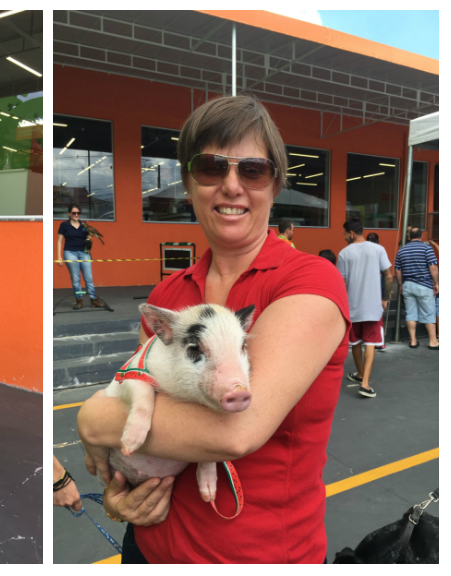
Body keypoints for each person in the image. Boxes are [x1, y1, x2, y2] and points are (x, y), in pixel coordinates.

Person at [76, 94, 349, 563]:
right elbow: (142, 385)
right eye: (210, 167)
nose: (232, 186)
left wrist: (90, 421)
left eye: (253, 170)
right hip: (151, 545)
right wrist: (120, 497)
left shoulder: (308, 281)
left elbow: (236, 432)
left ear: (275, 184)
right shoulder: (168, 294)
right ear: (188, 183)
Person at [337, 215, 392, 398]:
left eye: (345, 234)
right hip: (373, 307)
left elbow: (341, 283)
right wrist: (385, 298)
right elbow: (389, 275)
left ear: (351, 233)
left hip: (352, 307)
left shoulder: (344, 254)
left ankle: (360, 374)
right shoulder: (378, 249)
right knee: (370, 343)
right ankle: (365, 383)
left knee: (355, 343)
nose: (344, 237)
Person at [394, 227, 439, 349]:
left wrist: (400, 285)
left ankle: (413, 341)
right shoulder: (426, 248)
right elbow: (433, 267)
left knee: (411, 313)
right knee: (429, 313)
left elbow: (397, 270)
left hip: (407, 285)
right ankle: (433, 341)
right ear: (421, 236)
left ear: (409, 237)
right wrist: (436, 283)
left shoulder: (401, 250)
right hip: (424, 285)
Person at [57, 203, 103, 309]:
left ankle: (93, 299)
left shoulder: (84, 225)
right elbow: (59, 241)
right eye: (74, 213)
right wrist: (59, 256)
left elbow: (87, 239)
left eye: (78, 213)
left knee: (89, 277)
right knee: (75, 278)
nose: (76, 215)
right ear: (69, 214)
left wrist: (89, 238)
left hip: (84, 253)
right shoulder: (64, 225)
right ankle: (79, 300)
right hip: (70, 252)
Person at [365, 233, 393, 352]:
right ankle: (379, 342)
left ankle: (360, 340)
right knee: (377, 316)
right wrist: (385, 297)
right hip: (377, 289)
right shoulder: (380, 251)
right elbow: (388, 276)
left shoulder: (361, 251)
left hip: (363, 288)